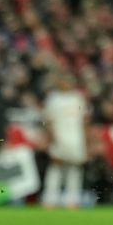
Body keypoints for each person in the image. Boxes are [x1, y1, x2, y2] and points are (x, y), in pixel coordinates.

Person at [40, 70, 89, 209]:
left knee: (74, 168)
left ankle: (72, 200)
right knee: (55, 167)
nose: (67, 84)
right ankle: (50, 199)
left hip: (76, 139)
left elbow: (84, 120)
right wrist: (51, 138)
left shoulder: (78, 97)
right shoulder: (53, 98)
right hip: (59, 138)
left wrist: (86, 141)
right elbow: (48, 121)